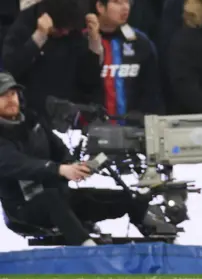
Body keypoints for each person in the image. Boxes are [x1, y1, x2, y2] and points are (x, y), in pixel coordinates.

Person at [0, 72, 172, 246]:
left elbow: (59, 148)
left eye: (12, 94)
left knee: (123, 198)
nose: (10, 99)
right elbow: (18, 164)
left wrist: (74, 165)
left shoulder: (33, 120)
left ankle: (159, 238)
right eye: (3, 95)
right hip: (23, 208)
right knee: (51, 199)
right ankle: (87, 247)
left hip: (61, 198)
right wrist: (60, 170)